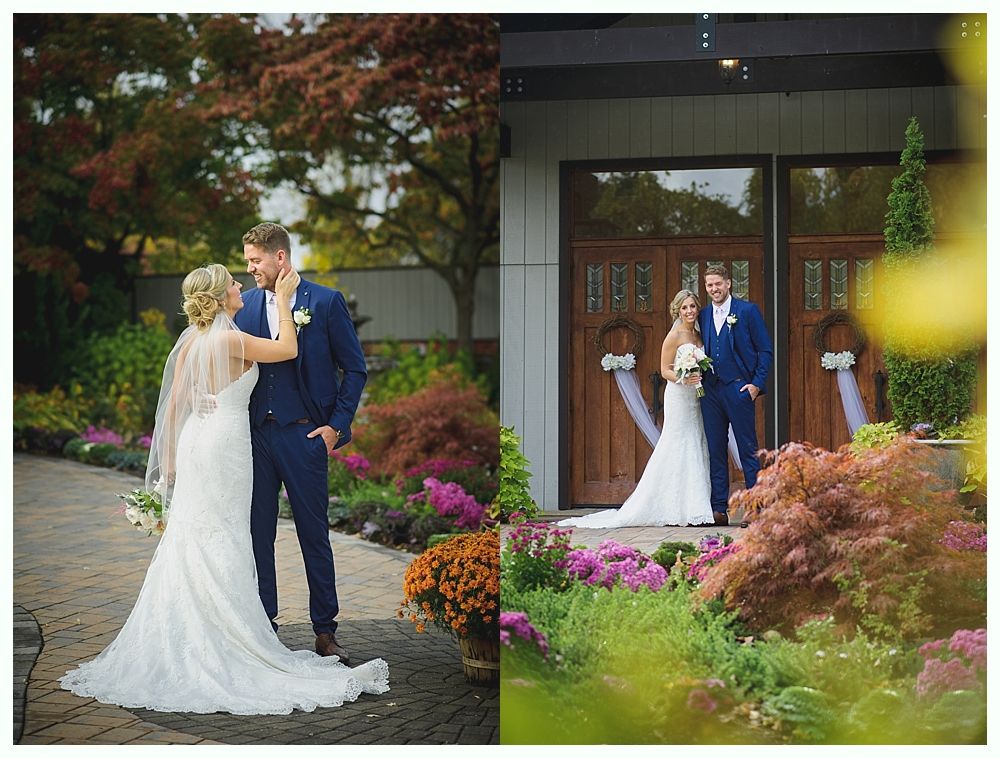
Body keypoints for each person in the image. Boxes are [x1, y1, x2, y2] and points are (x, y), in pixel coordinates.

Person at [60, 264, 388, 714]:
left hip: (200, 443)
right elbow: (288, 349)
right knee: (229, 537)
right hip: (228, 449)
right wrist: (289, 302)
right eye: (233, 282)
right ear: (218, 298)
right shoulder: (230, 338)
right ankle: (230, 634)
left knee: (197, 535)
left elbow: (175, 403)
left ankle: (199, 631)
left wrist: (170, 461)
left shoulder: (193, 340)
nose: (242, 283)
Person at [234, 222, 368, 663]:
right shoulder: (245, 304)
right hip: (256, 436)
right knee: (258, 534)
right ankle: (265, 625)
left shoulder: (325, 302)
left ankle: (325, 631)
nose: (250, 268)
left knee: (314, 534)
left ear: (280, 258)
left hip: (304, 435)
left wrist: (335, 428)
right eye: (248, 260)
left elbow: (355, 369)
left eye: (255, 260)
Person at [558, 290, 714, 528]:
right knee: (677, 443)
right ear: (677, 311)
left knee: (696, 441)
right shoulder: (674, 335)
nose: (689, 311)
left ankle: (695, 506)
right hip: (679, 396)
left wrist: (697, 375)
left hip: (695, 397)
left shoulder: (699, 334)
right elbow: (664, 370)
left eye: (692, 306)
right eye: (684, 308)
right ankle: (672, 506)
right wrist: (684, 378)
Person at [698, 263, 773, 526]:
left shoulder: (747, 311)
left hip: (739, 389)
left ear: (728, 283)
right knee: (716, 449)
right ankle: (719, 509)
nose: (714, 289)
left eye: (718, 283)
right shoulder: (704, 314)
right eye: (709, 285)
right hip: (710, 392)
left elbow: (765, 350)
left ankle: (755, 509)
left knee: (747, 449)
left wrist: (755, 385)